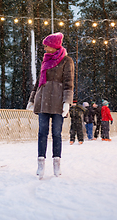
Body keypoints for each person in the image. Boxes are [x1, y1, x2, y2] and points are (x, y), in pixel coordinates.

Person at [26, 32, 74, 179]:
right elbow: (38, 82)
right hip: (43, 101)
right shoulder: (45, 60)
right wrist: (32, 99)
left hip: (58, 102)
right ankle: (40, 164)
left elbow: (69, 83)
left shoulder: (67, 61)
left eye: (46, 46)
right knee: (42, 133)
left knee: (56, 133)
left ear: (54, 46)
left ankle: (56, 163)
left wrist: (67, 102)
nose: (45, 49)